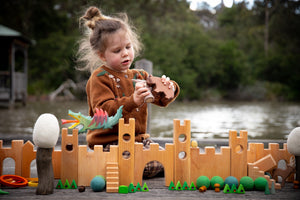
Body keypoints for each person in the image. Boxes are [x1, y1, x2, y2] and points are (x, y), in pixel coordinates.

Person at [77, 6, 180, 177]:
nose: (125, 54)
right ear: (102, 55)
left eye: (128, 47)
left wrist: (170, 87)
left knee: (173, 158)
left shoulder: (140, 75)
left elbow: (162, 100)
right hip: (108, 143)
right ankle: (128, 167)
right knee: (148, 165)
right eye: (117, 51)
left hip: (139, 142)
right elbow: (103, 112)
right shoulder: (99, 77)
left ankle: (143, 164)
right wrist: (133, 100)